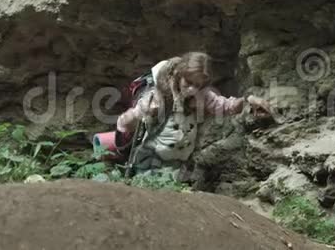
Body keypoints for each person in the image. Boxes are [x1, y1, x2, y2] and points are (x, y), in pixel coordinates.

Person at [116, 51, 272, 182]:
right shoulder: (158, 95)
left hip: (179, 164)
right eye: (188, 82)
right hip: (151, 162)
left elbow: (227, 106)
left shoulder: (202, 97)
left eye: (197, 85)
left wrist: (249, 100)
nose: (191, 89)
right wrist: (140, 114)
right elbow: (128, 122)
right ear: (179, 74)